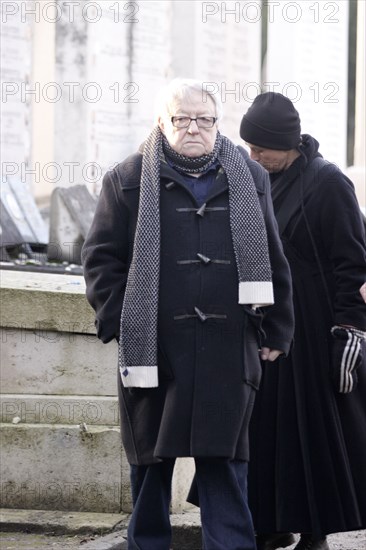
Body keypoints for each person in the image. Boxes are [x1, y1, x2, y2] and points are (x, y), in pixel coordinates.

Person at [82, 79, 294, 550]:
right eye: (182, 118)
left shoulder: (249, 177)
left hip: (228, 346)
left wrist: (277, 327)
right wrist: (125, 322)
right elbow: (101, 260)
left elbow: (273, 258)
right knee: (150, 465)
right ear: (163, 122)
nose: (194, 127)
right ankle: (148, 544)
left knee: (225, 462)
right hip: (154, 347)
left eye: (205, 119)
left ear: (217, 125)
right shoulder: (128, 178)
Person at [240, 92, 366, 550]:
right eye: (249, 149)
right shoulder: (256, 179)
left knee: (314, 432)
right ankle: (269, 522)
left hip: (316, 330)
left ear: (289, 143)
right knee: (265, 429)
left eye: (262, 150)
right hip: (268, 326)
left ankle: (316, 531)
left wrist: (348, 333)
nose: (254, 157)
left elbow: (354, 265)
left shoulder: (328, 183)